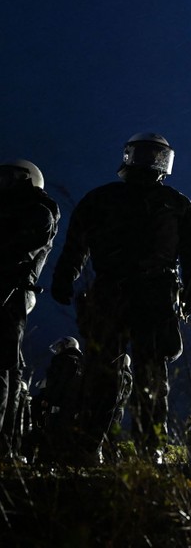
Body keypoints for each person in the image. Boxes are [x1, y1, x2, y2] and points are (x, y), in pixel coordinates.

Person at [51, 133, 191, 465]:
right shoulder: (158, 202)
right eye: (146, 154)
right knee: (116, 373)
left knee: (135, 374)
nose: (150, 161)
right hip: (123, 293)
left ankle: (134, 447)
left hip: (142, 294)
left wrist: (190, 293)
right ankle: (103, 446)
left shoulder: (171, 204)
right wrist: (64, 277)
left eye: (155, 154)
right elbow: (76, 244)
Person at [0, 159, 60, 461]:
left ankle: (5, 444)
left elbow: (20, 252)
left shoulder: (39, 212)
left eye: (9, 177)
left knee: (4, 363)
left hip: (12, 291)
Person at [41, 336, 84, 462]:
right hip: (72, 405)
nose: (58, 348)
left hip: (58, 403)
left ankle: (48, 460)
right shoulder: (81, 362)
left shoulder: (61, 359)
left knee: (52, 433)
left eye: (61, 346)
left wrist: (47, 398)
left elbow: (55, 382)